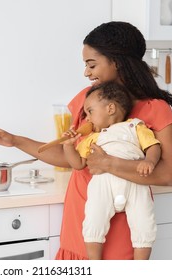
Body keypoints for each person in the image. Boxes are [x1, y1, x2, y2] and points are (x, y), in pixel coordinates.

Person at [0, 21, 172, 260]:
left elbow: (168, 174)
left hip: (123, 228)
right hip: (81, 218)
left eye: (92, 64)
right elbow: (69, 156)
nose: (86, 72)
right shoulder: (87, 100)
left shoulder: (155, 109)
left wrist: (109, 164)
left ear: (116, 62)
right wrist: (15, 140)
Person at [62, 82, 160, 260]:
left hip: (135, 183)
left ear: (110, 108)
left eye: (90, 111)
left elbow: (153, 146)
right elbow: (78, 164)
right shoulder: (92, 138)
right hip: (103, 184)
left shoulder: (136, 127)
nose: (88, 118)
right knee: (93, 221)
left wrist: (149, 161)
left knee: (145, 224)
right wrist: (68, 146)